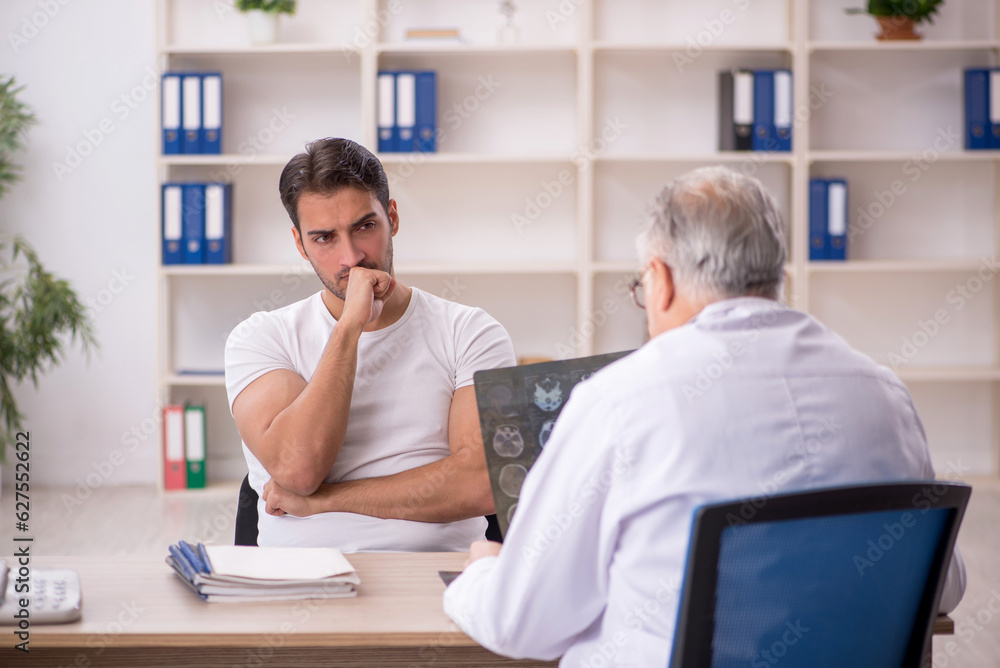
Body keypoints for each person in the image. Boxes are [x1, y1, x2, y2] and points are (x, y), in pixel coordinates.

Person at [442, 166, 966, 665]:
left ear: (660, 279)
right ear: (776, 276)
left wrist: (483, 573)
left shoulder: (620, 400)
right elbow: (945, 585)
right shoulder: (883, 393)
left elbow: (521, 623)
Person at [224, 138, 516, 552]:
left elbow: (482, 483)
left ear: (392, 217)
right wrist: (349, 328)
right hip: (299, 584)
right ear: (299, 243)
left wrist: (327, 500)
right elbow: (299, 469)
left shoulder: (470, 332)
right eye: (324, 238)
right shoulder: (261, 338)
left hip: (432, 581)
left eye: (364, 226)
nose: (352, 257)